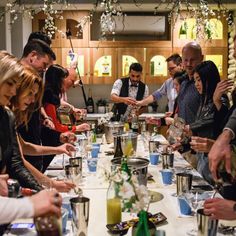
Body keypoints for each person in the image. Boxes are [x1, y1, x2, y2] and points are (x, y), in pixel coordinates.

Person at [9, 66, 75, 192]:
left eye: (35, 95)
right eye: (30, 93)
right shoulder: (6, 116)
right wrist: (50, 184)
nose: (33, 100)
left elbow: (25, 147)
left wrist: (57, 149)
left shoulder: (11, 116)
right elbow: (19, 161)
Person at [0, 51, 41, 191]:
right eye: (10, 84)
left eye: (15, 86)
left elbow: (15, 163)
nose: (13, 92)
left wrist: (39, 191)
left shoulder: (7, 116)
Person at [43, 64, 90, 133]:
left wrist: (72, 111)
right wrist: (77, 128)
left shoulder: (51, 94)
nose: (64, 81)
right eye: (63, 78)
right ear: (57, 80)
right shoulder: (49, 97)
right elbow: (56, 127)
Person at [177, 42, 203, 124]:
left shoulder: (205, 83)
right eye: (186, 60)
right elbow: (181, 114)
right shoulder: (183, 83)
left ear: (201, 58)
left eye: (192, 60)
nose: (188, 64)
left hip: (198, 136)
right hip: (183, 136)